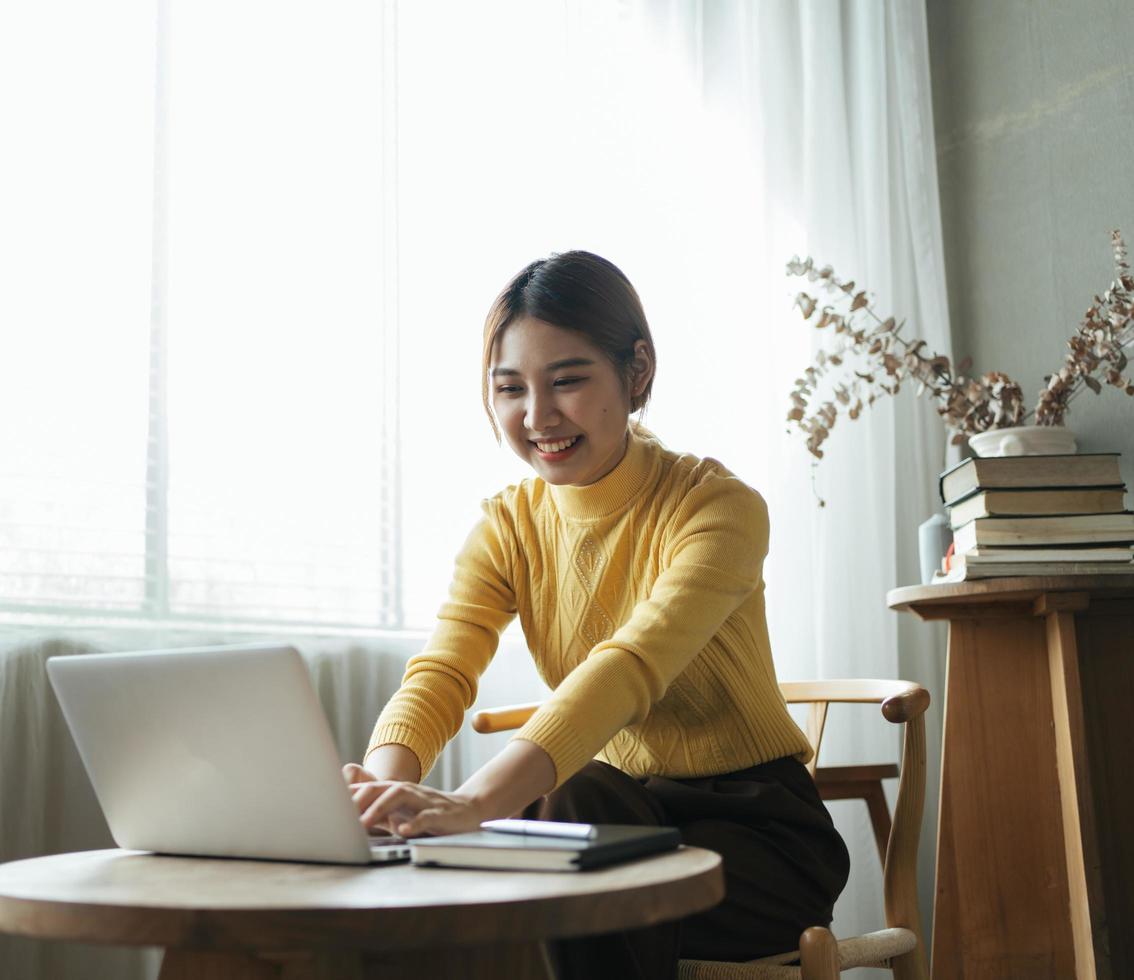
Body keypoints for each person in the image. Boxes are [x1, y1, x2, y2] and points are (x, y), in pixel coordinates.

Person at [344, 251, 850, 978]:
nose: (538, 416)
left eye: (568, 381)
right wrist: (382, 797)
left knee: (561, 815)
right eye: (510, 388)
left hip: (757, 837)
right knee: (558, 818)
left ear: (636, 372)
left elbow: (628, 667)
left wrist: (474, 802)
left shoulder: (718, 509)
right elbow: (444, 670)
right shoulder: (507, 526)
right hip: (609, 816)